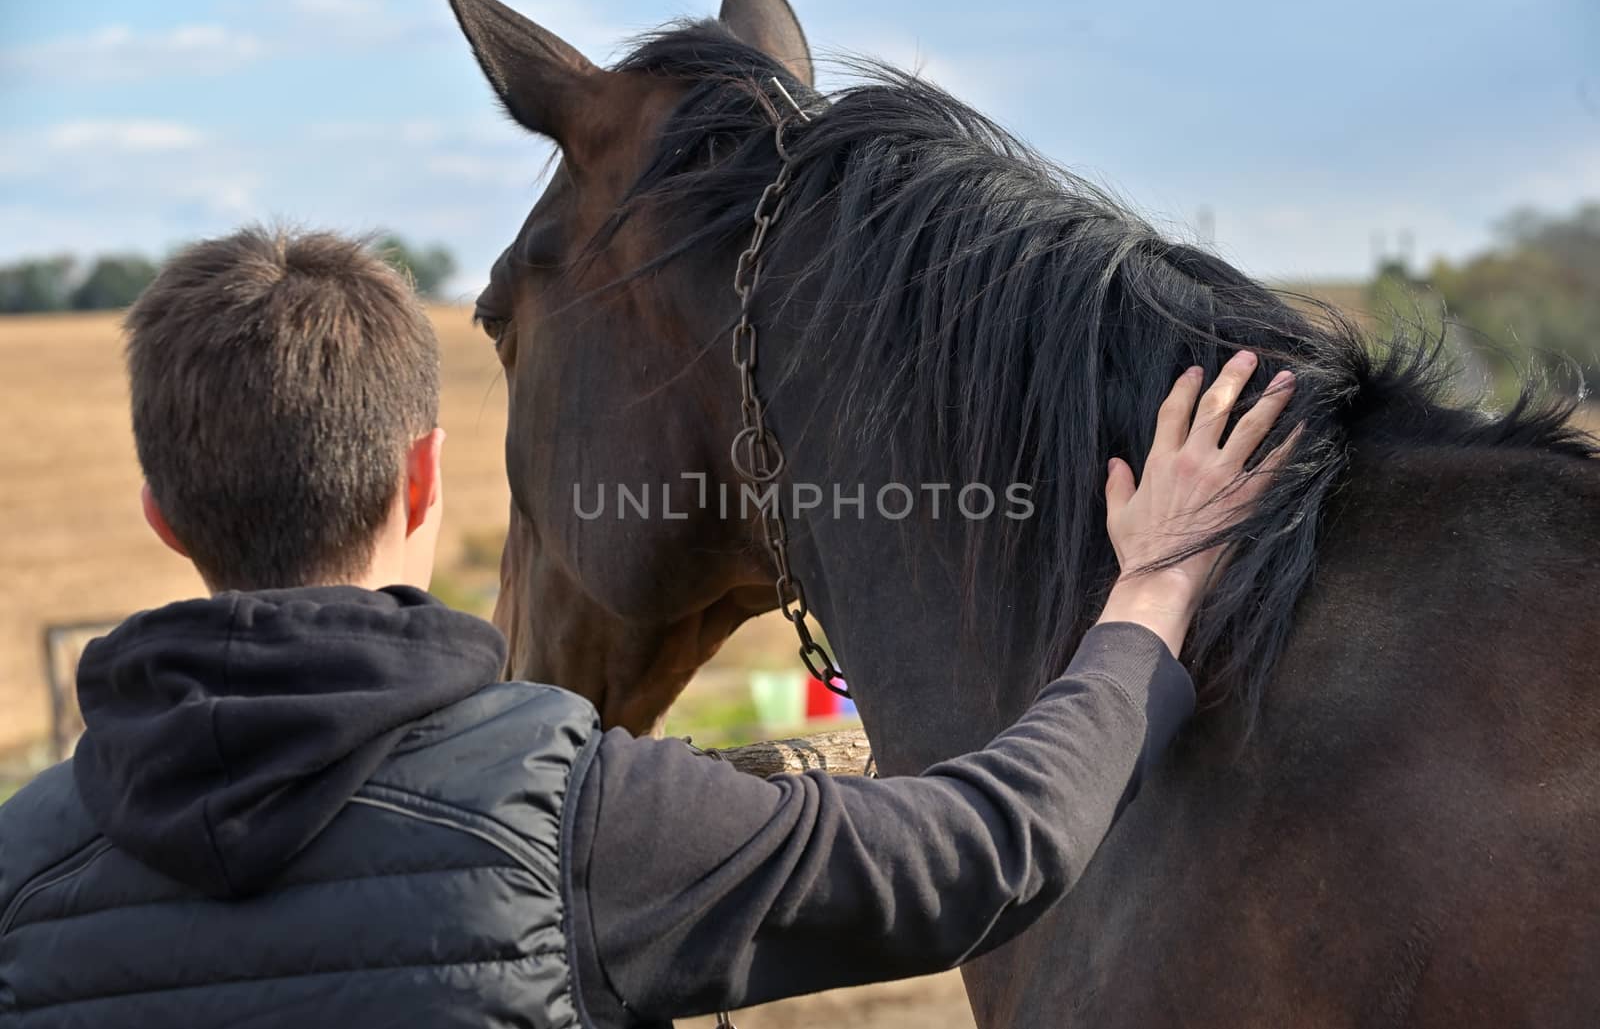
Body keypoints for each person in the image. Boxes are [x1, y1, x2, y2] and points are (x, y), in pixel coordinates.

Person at [0, 228, 1294, 1029]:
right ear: (424, 479)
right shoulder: (574, 817)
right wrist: (1152, 594)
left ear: (163, 516)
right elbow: (987, 843)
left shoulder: (23, 870)